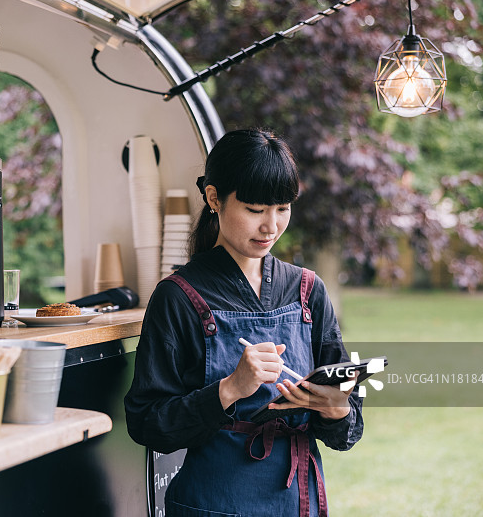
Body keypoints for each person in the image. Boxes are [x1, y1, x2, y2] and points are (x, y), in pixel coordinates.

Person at [124, 128, 363, 517]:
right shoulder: (178, 296)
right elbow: (147, 424)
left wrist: (338, 410)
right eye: (255, 210)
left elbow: (346, 426)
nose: (271, 226)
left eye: (282, 208)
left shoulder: (308, 291)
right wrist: (230, 389)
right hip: (213, 503)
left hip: (298, 501)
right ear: (214, 198)